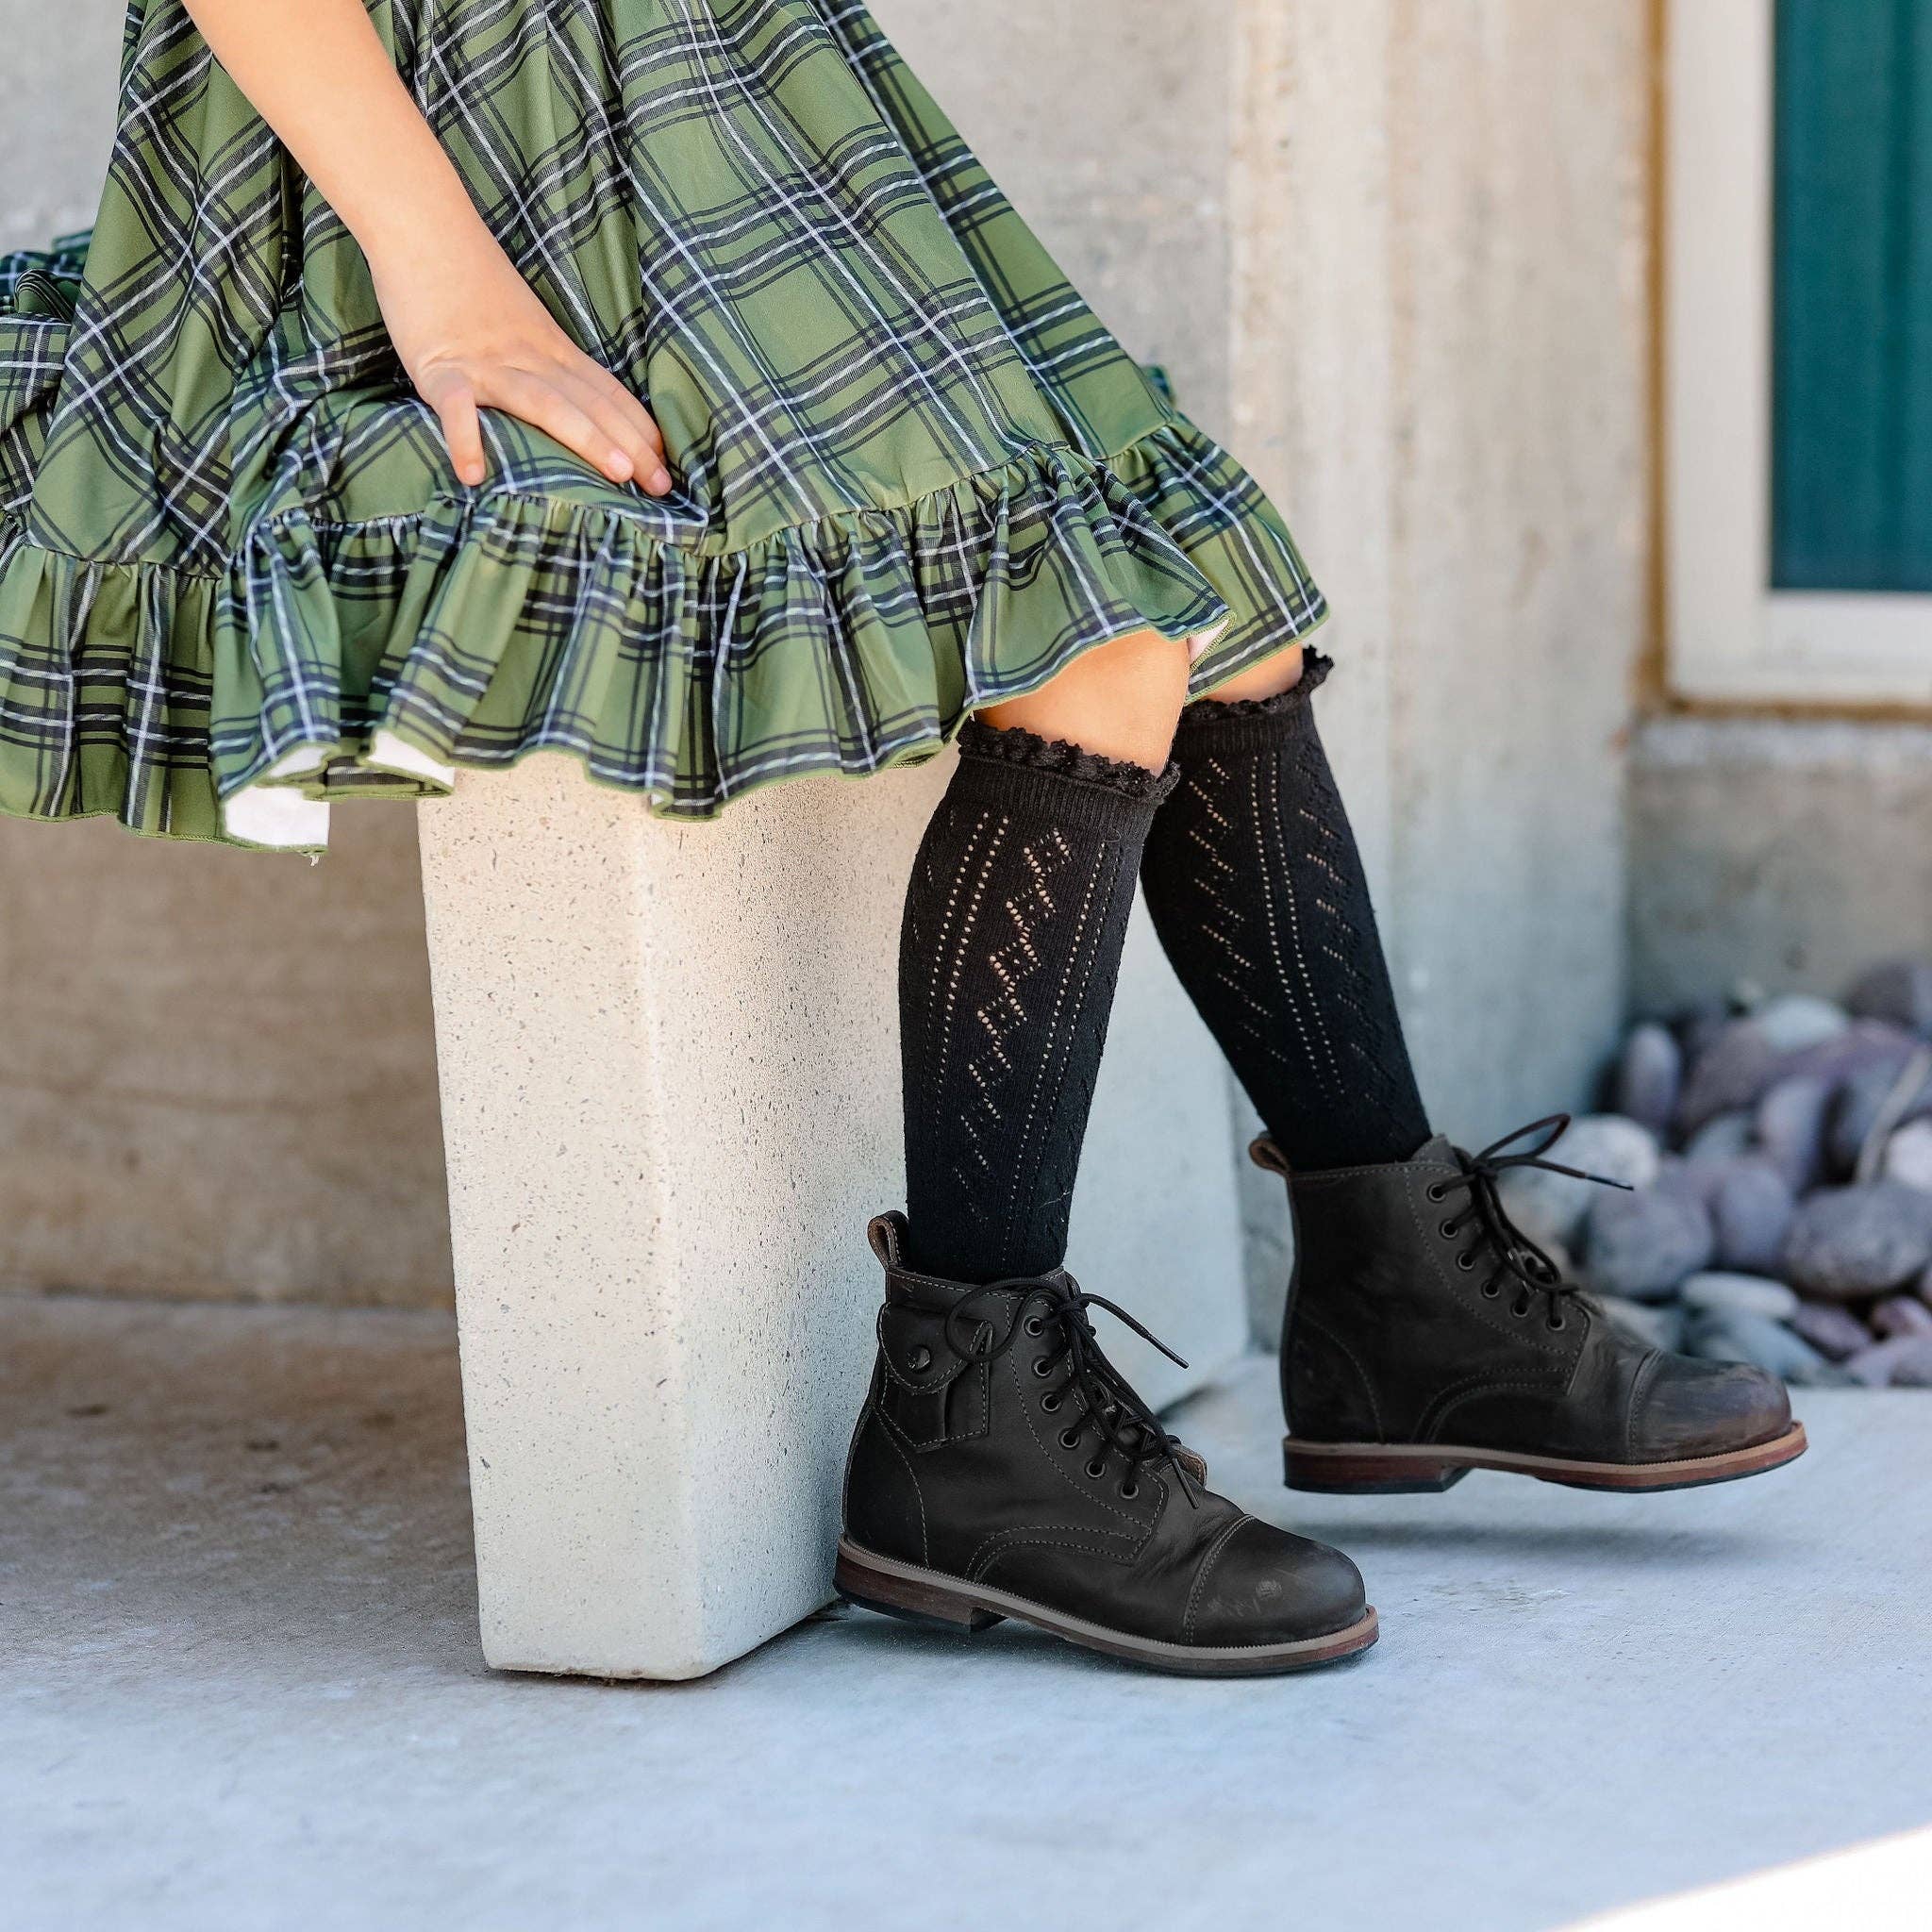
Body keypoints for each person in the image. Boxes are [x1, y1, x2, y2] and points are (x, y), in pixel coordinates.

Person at [0, 1, 1805, 1677]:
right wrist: (441, 269)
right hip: (451, 145)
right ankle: (971, 1410)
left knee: (1209, 601)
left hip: (728, 93)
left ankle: (1399, 1292)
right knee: (1094, 642)